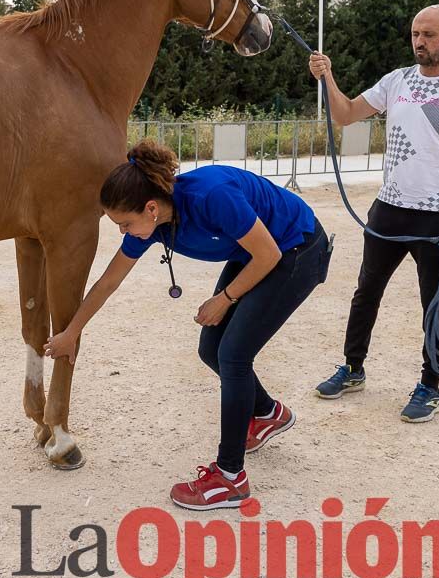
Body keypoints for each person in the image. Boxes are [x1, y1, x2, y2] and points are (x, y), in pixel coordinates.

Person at [44, 140, 332, 510]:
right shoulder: (154, 225)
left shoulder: (212, 196)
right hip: (257, 254)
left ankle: (230, 479)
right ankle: (267, 414)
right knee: (210, 349)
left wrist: (224, 299)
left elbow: (269, 254)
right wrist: (71, 333)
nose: (122, 232)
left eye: (125, 223)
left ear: (150, 208)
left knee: (233, 355)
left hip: (296, 249)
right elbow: (108, 282)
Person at [309, 4, 439, 422]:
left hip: (437, 218)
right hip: (388, 210)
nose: (419, 42)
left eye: (429, 34)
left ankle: (430, 387)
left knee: (435, 303)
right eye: (415, 33)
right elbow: (344, 116)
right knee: (366, 292)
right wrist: (328, 77)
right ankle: (353, 368)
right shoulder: (397, 81)